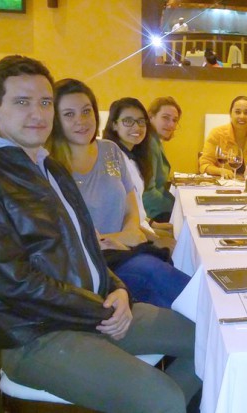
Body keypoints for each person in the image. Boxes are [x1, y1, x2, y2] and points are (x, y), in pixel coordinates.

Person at [0, 55, 200, 412]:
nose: (38, 114)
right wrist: (99, 309)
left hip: (95, 311)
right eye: (22, 102)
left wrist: (118, 289)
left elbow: (88, 246)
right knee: (163, 398)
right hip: (37, 335)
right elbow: (14, 282)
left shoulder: (49, 166)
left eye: (45, 103)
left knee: (210, 340)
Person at [47, 78, 189, 309]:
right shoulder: (49, 165)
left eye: (86, 111)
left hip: (126, 252)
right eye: (69, 114)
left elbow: (131, 209)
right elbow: (63, 235)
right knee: (155, 275)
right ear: (55, 119)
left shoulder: (110, 151)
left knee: (169, 280)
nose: (81, 121)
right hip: (89, 263)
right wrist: (124, 238)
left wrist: (129, 234)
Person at [104, 97, 176, 249]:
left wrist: (152, 224)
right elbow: (121, 216)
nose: (136, 127)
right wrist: (155, 239)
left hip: (142, 227)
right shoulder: (113, 162)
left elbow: (135, 206)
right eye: (128, 121)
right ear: (114, 124)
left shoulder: (133, 157)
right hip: (128, 237)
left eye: (140, 121)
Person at [199, 95, 247, 178]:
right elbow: (204, 165)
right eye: (237, 112)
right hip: (222, 183)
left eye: (246, 113)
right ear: (230, 114)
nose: (242, 116)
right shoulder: (217, 134)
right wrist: (221, 171)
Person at [144, 96, 181, 224]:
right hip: (151, 213)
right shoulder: (149, 144)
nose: (171, 124)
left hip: (157, 207)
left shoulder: (155, 140)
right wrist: (178, 207)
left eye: (175, 120)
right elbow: (148, 194)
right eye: (165, 118)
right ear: (151, 117)